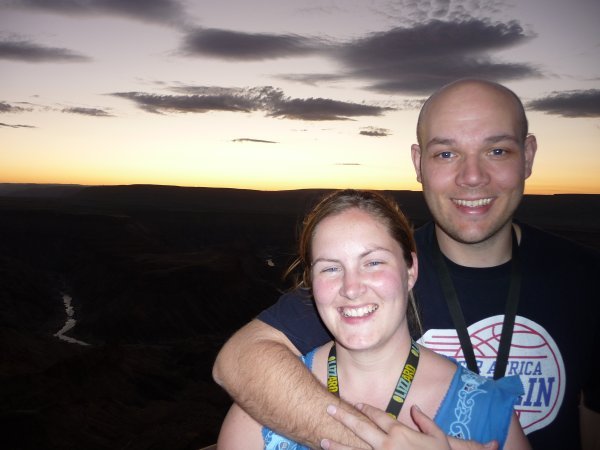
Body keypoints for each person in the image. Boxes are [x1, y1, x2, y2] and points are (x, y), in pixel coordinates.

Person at [212, 79, 600, 449]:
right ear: (418, 163)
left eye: (497, 151)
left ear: (528, 155)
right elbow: (238, 361)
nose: (472, 177)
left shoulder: (588, 280)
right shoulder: (375, 272)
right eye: (446, 153)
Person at [217, 189, 529, 449]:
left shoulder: (489, 415)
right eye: (330, 267)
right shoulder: (262, 410)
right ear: (311, 282)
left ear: (411, 271)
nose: (351, 288)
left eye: (374, 262)